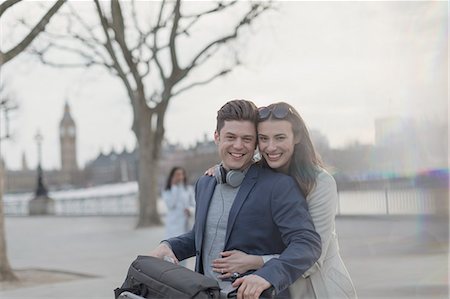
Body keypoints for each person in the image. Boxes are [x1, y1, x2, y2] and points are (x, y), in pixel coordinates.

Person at [149, 99, 321, 299]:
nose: (238, 146)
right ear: (216, 137)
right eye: (230, 137)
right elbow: (201, 234)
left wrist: (267, 276)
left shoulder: (278, 186)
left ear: (256, 143)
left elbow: (307, 244)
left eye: (247, 139)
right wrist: (168, 246)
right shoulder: (205, 183)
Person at [208, 102, 357, 298]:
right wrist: (220, 171)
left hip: (318, 288)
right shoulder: (257, 176)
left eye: (280, 138)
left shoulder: (321, 183)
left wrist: (255, 261)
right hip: (275, 287)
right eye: (263, 139)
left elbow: (313, 257)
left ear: (297, 137)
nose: (271, 147)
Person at [162, 166, 195, 240]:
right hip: (173, 224)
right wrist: (174, 187)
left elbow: (194, 205)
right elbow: (170, 205)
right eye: (177, 174)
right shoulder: (167, 191)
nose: (179, 177)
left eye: (181, 174)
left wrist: (190, 210)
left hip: (186, 223)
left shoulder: (188, 189)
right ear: (172, 176)